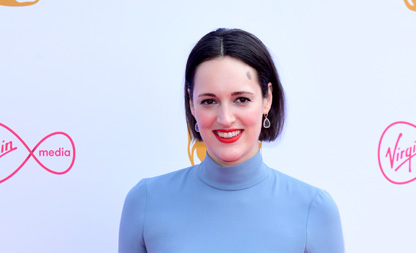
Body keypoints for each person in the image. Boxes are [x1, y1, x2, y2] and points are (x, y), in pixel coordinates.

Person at [119, 28, 345, 253]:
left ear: (267, 99)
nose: (225, 119)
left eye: (242, 99)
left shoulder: (314, 210)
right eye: (209, 101)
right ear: (191, 103)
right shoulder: (146, 202)